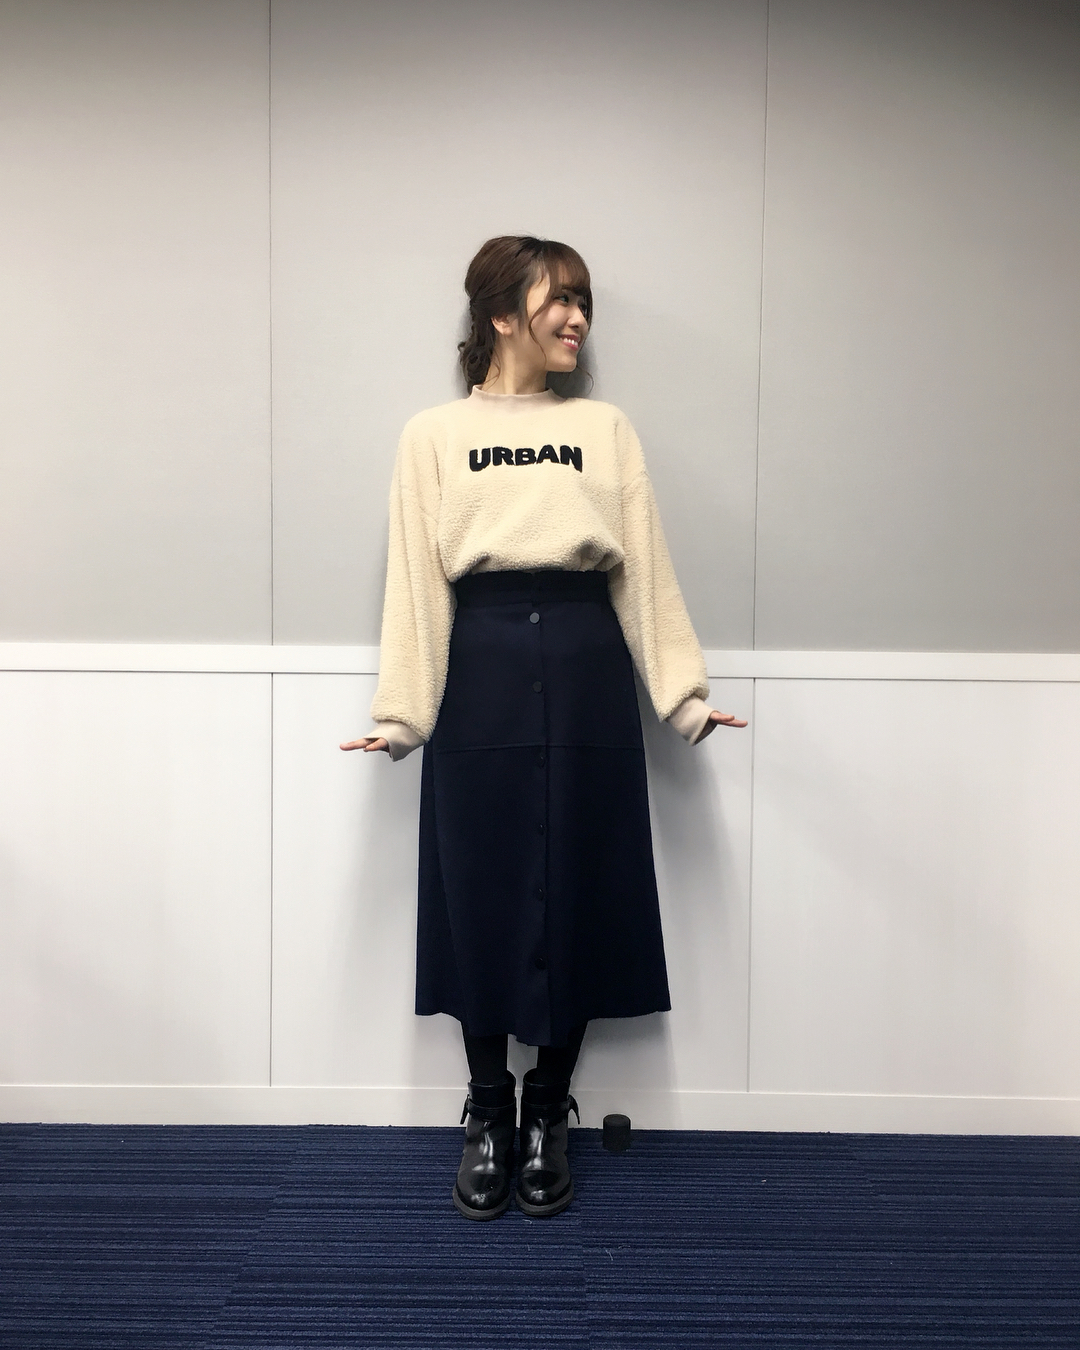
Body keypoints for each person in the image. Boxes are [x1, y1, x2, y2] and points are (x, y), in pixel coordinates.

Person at [341, 235, 747, 1221]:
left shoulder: (603, 429)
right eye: (558, 299)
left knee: (580, 879)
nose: (576, 319)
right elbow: (417, 581)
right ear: (500, 313)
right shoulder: (434, 435)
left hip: (583, 659)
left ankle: (548, 1110)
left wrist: (683, 695)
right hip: (478, 662)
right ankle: (488, 1107)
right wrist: (403, 712)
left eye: (583, 303)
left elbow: (641, 567)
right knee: (477, 884)